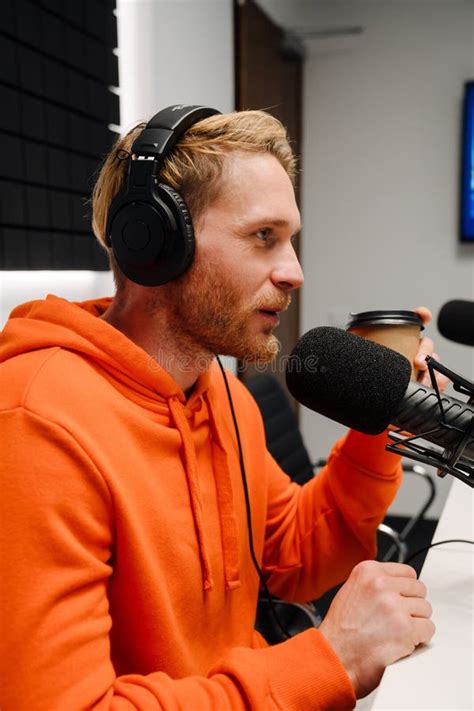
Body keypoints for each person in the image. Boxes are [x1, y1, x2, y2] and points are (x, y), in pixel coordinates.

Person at [0, 107, 443, 710]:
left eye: (291, 240)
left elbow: (296, 554)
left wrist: (382, 412)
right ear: (155, 243)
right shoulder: (36, 425)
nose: (294, 272)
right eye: (264, 237)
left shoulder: (222, 394)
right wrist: (328, 660)